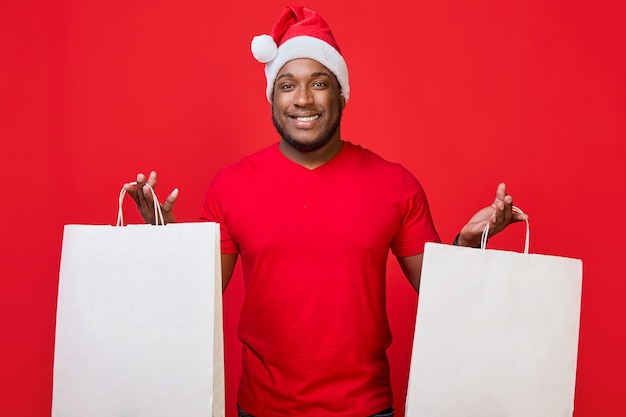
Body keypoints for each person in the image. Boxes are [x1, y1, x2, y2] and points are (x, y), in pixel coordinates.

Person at [123, 5, 528, 417]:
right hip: (262, 408)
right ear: (272, 96)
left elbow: (441, 292)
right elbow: (197, 296)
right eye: (287, 85)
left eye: (318, 83)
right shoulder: (233, 184)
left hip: (365, 409)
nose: (302, 99)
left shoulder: (395, 184)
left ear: (341, 94)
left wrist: (467, 243)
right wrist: (166, 239)